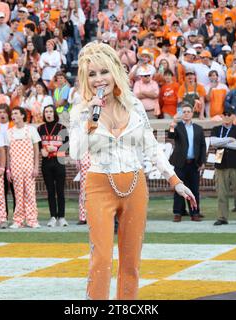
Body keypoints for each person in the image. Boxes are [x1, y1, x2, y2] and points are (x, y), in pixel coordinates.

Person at [69, 42, 196, 300]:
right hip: (98, 186)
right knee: (101, 259)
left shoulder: (135, 105)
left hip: (135, 186)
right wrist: (92, 118)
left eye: (103, 71)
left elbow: (151, 147)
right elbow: (75, 151)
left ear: (115, 71)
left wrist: (175, 181)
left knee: (131, 262)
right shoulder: (81, 110)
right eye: (91, 74)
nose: (98, 79)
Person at [210, 106, 236, 226]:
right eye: (225, 114)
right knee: (221, 192)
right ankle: (222, 217)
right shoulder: (216, 129)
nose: (227, 116)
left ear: (233, 116)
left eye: (229, 114)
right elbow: (213, 142)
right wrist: (229, 139)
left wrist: (222, 142)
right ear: (221, 116)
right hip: (220, 163)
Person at [168, 103, 206, 222]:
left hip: (194, 164)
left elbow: (202, 146)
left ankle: (194, 212)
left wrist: (203, 162)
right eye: (184, 111)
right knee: (179, 188)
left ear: (192, 113)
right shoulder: (177, 126)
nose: (186, 113)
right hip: (180, 164)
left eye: (188, 111)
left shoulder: (198, 128)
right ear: (181, 114)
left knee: (194, 189)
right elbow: (171, 135)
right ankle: (178, 212)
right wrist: (172, 125)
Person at [5, 107, 41, 229]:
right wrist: (8, 170)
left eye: (16, 113)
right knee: (18, 195)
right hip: (15, 168)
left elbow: (36, 150)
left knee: (30, 194)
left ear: (22, 115)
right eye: (12, 113)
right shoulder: (9, 132)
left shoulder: (31, 130)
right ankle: (18, 220)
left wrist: (36, 167)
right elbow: (8, 153)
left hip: (29, 167)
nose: (13, 115)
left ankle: (32, 220)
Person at [38, 105, 68, 227]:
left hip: (59, 161)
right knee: (50, 191)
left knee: (60, 190)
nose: (48, 114)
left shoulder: (62, 127)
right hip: (46, 162)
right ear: (44, 114)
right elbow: (38, 144)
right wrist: (41, 150)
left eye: (50, 111)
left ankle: (61, 217)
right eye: (46, 112)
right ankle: (52, 217)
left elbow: (67, 146)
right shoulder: (40, 129)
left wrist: (54, 148)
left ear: (54, 113)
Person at [0, 104, 15, 218]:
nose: (2, 114)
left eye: (4, 112)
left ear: (8, 113)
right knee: (2, 191)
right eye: (0, 112)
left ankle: (18, 215)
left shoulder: (13, 125)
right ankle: (3, 216)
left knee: (16, 190)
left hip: (13, 159)